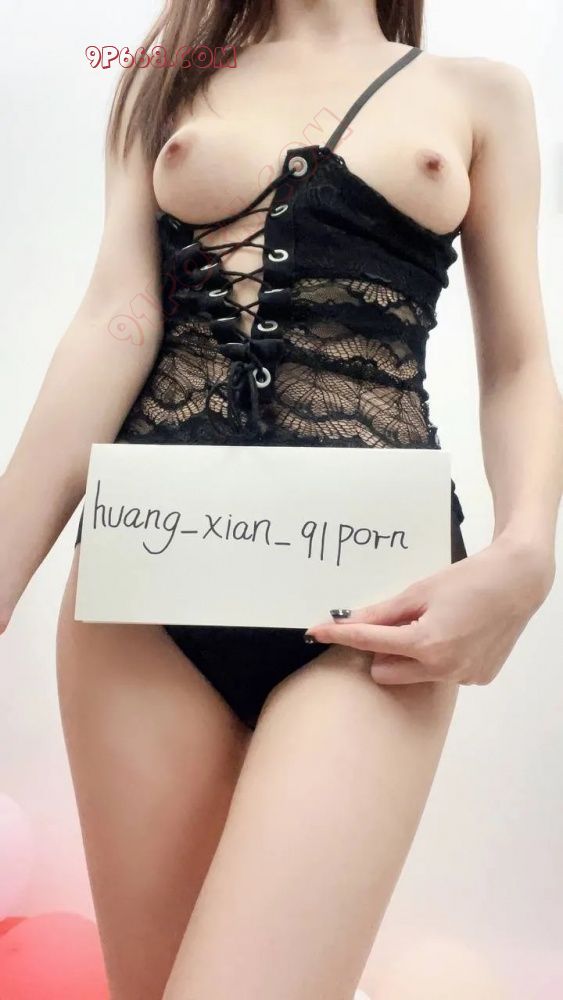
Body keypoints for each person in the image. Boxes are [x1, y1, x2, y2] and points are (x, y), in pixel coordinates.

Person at [1, 1, 561, 998]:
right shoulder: (169, 73)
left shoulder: (482, 95)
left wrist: (526, 551)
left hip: (374, 602)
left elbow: (517, 360)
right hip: (144, 586)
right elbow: (117, 319)